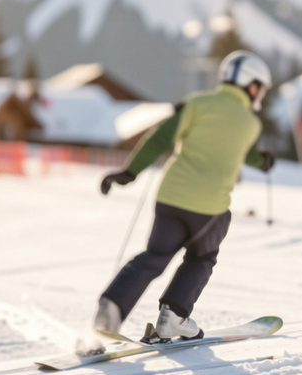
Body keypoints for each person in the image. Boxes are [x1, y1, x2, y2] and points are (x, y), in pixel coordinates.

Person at [91, 50, 275, 348]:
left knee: (154, 257)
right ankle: (174, 315)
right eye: (261, 88)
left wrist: (130, 172)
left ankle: (111, 308)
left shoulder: (197, 103)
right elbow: (246, 152)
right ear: (251, 85)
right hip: (209, 209)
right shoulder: (250, 123)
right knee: (202, 256)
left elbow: (162, 136)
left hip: (170, 199)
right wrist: (263, 160)